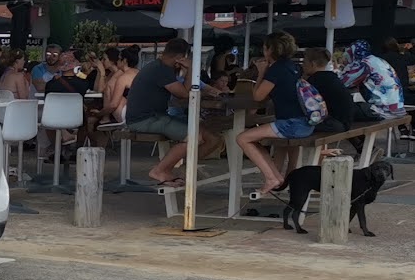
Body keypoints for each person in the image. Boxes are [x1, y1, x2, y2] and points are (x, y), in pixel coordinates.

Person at [126, 38, 223, 186]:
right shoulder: (161, 69)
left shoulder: (161, 67)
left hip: (156, 116)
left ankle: (185, 169)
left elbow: (185, 92)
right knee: (195, 137)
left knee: (212, 138)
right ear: (180, 57)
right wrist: (190, 69)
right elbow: (184, 94)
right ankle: (160, 170)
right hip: (144, 120)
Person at [237, 32, 311, 194]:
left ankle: (271, 178)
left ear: (270, 50)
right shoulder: (294, 67)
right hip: (304, 121)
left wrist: (261, 72)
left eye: (265, 48)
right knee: (253, 139)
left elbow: (258, 96)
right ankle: (276, 177)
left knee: (242, 138)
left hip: (290, 124)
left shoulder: (276, 69)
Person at [342, 39, 406, 118]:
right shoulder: (378, 60)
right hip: (397, 106)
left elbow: (345, 82)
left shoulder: (364, 64)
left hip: (383, 109)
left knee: (345, 112)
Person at [302, 47, 358, 133]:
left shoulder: (314, 81)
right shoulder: (331, 77)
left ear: (313, 64)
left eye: (304, 62)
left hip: (334, 124)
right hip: (346, 121)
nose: (303, 66)